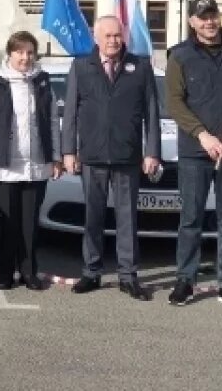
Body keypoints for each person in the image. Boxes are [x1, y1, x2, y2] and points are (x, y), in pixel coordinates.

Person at [165, 0, 222, 312]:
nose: (209, 22)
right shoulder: (179, 56)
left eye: (213, 15)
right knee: (190, 219)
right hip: (195, 151)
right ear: (192, 21)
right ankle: (185, 281)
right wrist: (202, 135)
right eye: (202, 17)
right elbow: (175, 103)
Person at [62, 16, 161, 302]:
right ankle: (91, 272)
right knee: (92, 217)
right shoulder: (81, 66)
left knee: (127, 219)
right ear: (96, 37)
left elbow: (152, 112)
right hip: (91, 157)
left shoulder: (140, 67)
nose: (113, 41)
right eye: (108, 36)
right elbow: (70, 112)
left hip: (127, 156)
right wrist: (69, 151)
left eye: (117, 35)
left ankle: (128, 276)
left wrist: (152, 151)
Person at [0, 31, 60, 291]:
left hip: (35, 165)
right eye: (19, 52)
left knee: (29, 225)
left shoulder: (42, 81)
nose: (25, 57)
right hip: (4, 166)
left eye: (29, 52)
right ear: (10, 54)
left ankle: (29, 272)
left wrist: (56, 157)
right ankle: (5, 273)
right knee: (8, 223)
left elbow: (51, 121)